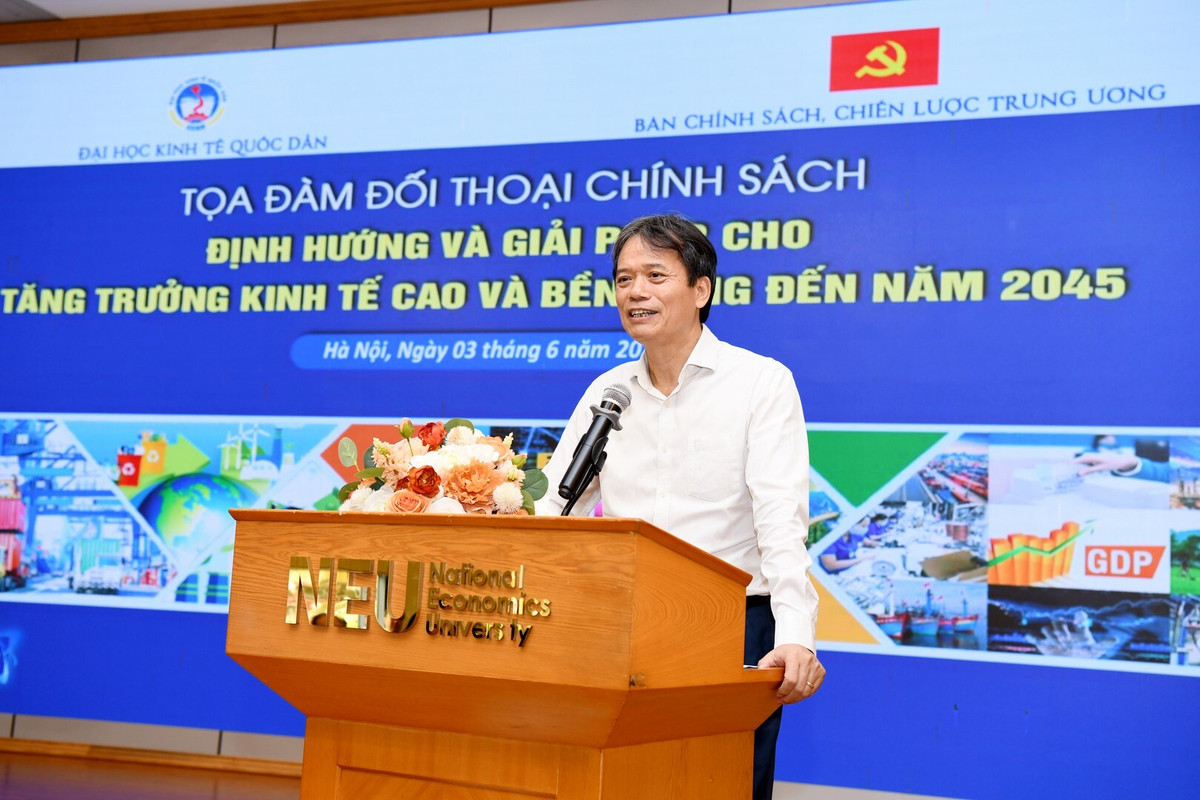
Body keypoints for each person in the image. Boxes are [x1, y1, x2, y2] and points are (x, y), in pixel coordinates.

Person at [537, 214, 823, 800]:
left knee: (721, 783)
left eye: (654, 275)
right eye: (623, 279)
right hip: (624, 629)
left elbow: (780, 519)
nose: (635, 292)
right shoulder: (607, 393)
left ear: (700, 289)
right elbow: (555, 511)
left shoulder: (759, 383)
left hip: (731, 627)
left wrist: (797, 634)